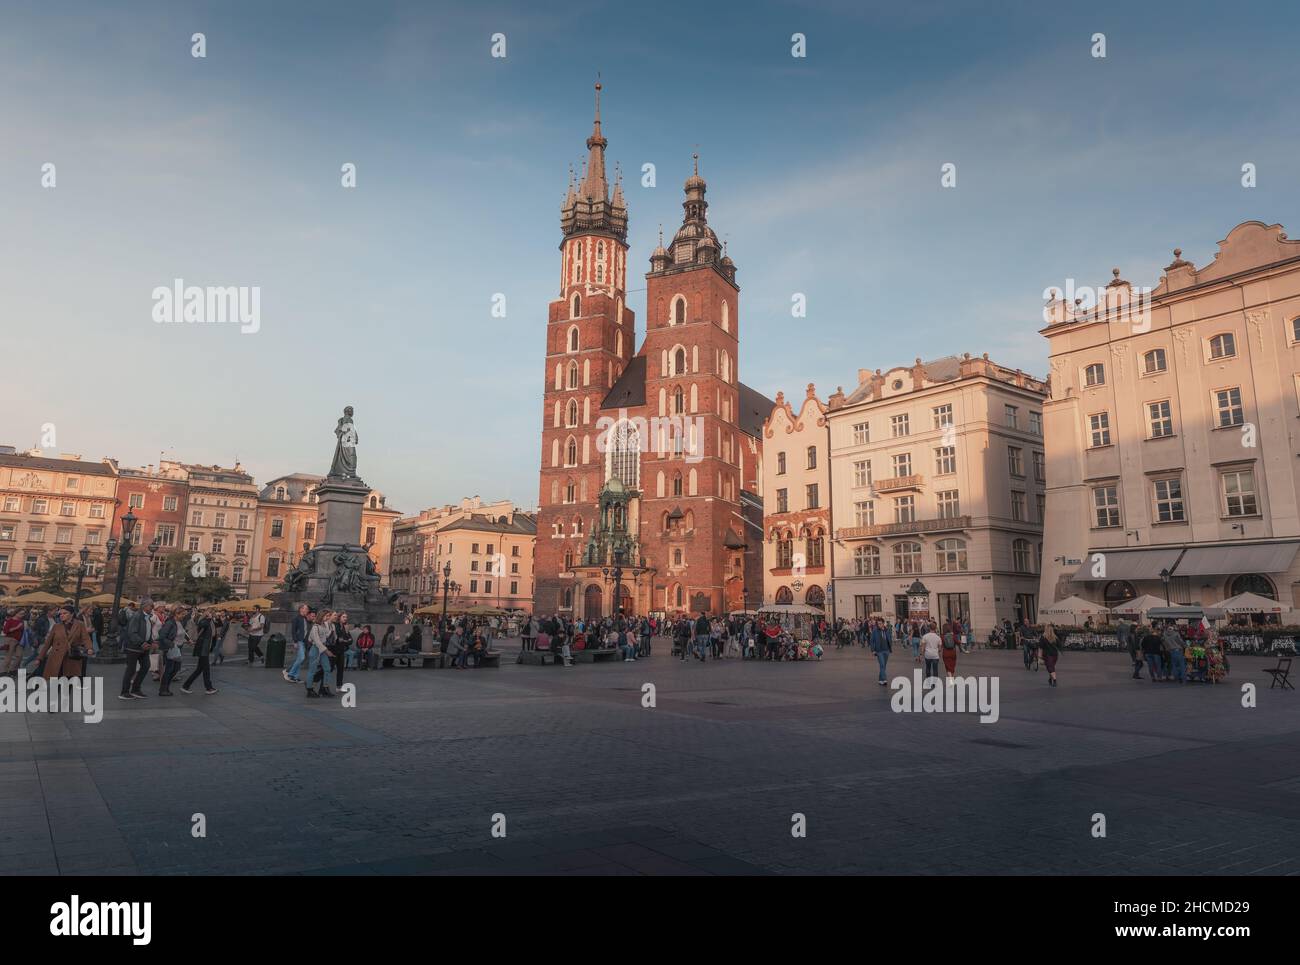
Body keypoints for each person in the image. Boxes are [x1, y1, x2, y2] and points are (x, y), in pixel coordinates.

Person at [37, 604, 90, 679]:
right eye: (60, 614)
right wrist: (39, 658)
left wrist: (89, 648)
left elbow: (86, 638)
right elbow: (48, 643)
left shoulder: (79, 625)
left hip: (72, 656)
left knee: (70, 679)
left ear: (71, 614)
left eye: (65, 613)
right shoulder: (57, 626)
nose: (62, 615)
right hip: (57, 656)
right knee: (57, 679)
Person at [119, 598, 157, 700]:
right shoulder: (137, 616)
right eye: (151, 606)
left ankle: (136, 689)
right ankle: (124, 692)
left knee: (146, 666)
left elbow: (147, 632)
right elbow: (132, 633)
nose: (152, 608)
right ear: (144, 606)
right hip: (134, 648)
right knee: (131, 670)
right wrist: (142, 642)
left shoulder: (147, 617)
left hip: (144, 647)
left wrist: (150, 642)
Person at [180, 608, 218, 695]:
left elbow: (213, 634)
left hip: (205, 648)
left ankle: (186, 686)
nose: (213, 614)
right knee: (206, 669)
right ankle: (208, 688)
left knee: (199, 669)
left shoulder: (211, 622)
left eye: (213, 612)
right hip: (203, 648)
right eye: (211, 612)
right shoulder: (204, 620)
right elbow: (201, 624)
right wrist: (208, 618)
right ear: (207, 613)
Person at [157, 605, 188, 696]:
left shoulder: (179, 622)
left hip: (177, 648)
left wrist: (187, 640)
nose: (183, 616)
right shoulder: (170, 623)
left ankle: (165, 688)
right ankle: (163, 689)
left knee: (176, 668)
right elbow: (162, 636)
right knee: (170, 669)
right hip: (171, 648)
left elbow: (180, 634)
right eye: (182, 614)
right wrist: (171, 644)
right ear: (176, 614)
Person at [306, 611, 335, 697]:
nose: (327, 617)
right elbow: (316, 641)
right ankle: (309, 689)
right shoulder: (315, 627)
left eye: (328, 616)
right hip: (316, 649)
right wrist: (326, 651)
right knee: (312, 670)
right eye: (326, 616)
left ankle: (325, 688)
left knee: (327, 668)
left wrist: (332, 627)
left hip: (322, 649)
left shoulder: (323, 626)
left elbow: (327, 635)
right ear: (321, 616)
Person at [284, 603, 309, 683]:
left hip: (304, 641)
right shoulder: (296, 619)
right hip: (299, 641)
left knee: (299, 659)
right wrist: (295, 641)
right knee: (301, 658)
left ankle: (295, 677)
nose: (307, 610)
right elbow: (293, 631)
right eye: (306, 609)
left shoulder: (305, 618)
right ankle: (290, 674)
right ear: (301, 609)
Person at [869, 618, 892, 686]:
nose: (879, 625)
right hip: (879, 651)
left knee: (883, 666)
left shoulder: (886, 630)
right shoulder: (875, 631)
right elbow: (872, 640)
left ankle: (880, 680)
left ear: (883, 623)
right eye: (878, 624)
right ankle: (884, 679)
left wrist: (890, 645)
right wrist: (873, 650)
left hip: (886, 650)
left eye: (880, 623)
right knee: (882, 664)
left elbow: (889, 638)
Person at [1039, 623, 1061, 687]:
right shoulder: (1055, 637)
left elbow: (1040, 647)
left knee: (1050, 668)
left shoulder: (1043, 638)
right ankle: (1050, 678)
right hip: (1055, 655)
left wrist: (1039, 657)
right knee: (1051, 667)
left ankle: (1054, 680)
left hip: (1048, 655)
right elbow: (1059, 645)